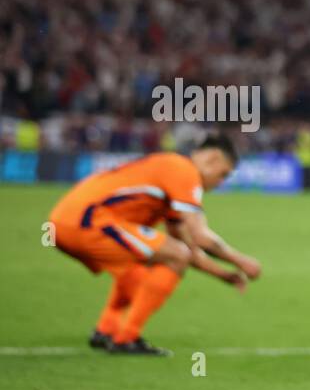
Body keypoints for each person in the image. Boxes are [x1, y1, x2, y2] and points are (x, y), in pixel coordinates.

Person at [47, 133, 262, 355]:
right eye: (223, 174)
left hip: (63, 223)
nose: (220, 183)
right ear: (213, 159)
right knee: (172, 255)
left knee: (143, 266)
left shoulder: (167, 178)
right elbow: (199, 236)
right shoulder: (183, 170)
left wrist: (223, 275)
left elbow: (188, 250)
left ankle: (106, 330)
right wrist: (242, 260)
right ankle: (126, 338)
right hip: (87, 221)